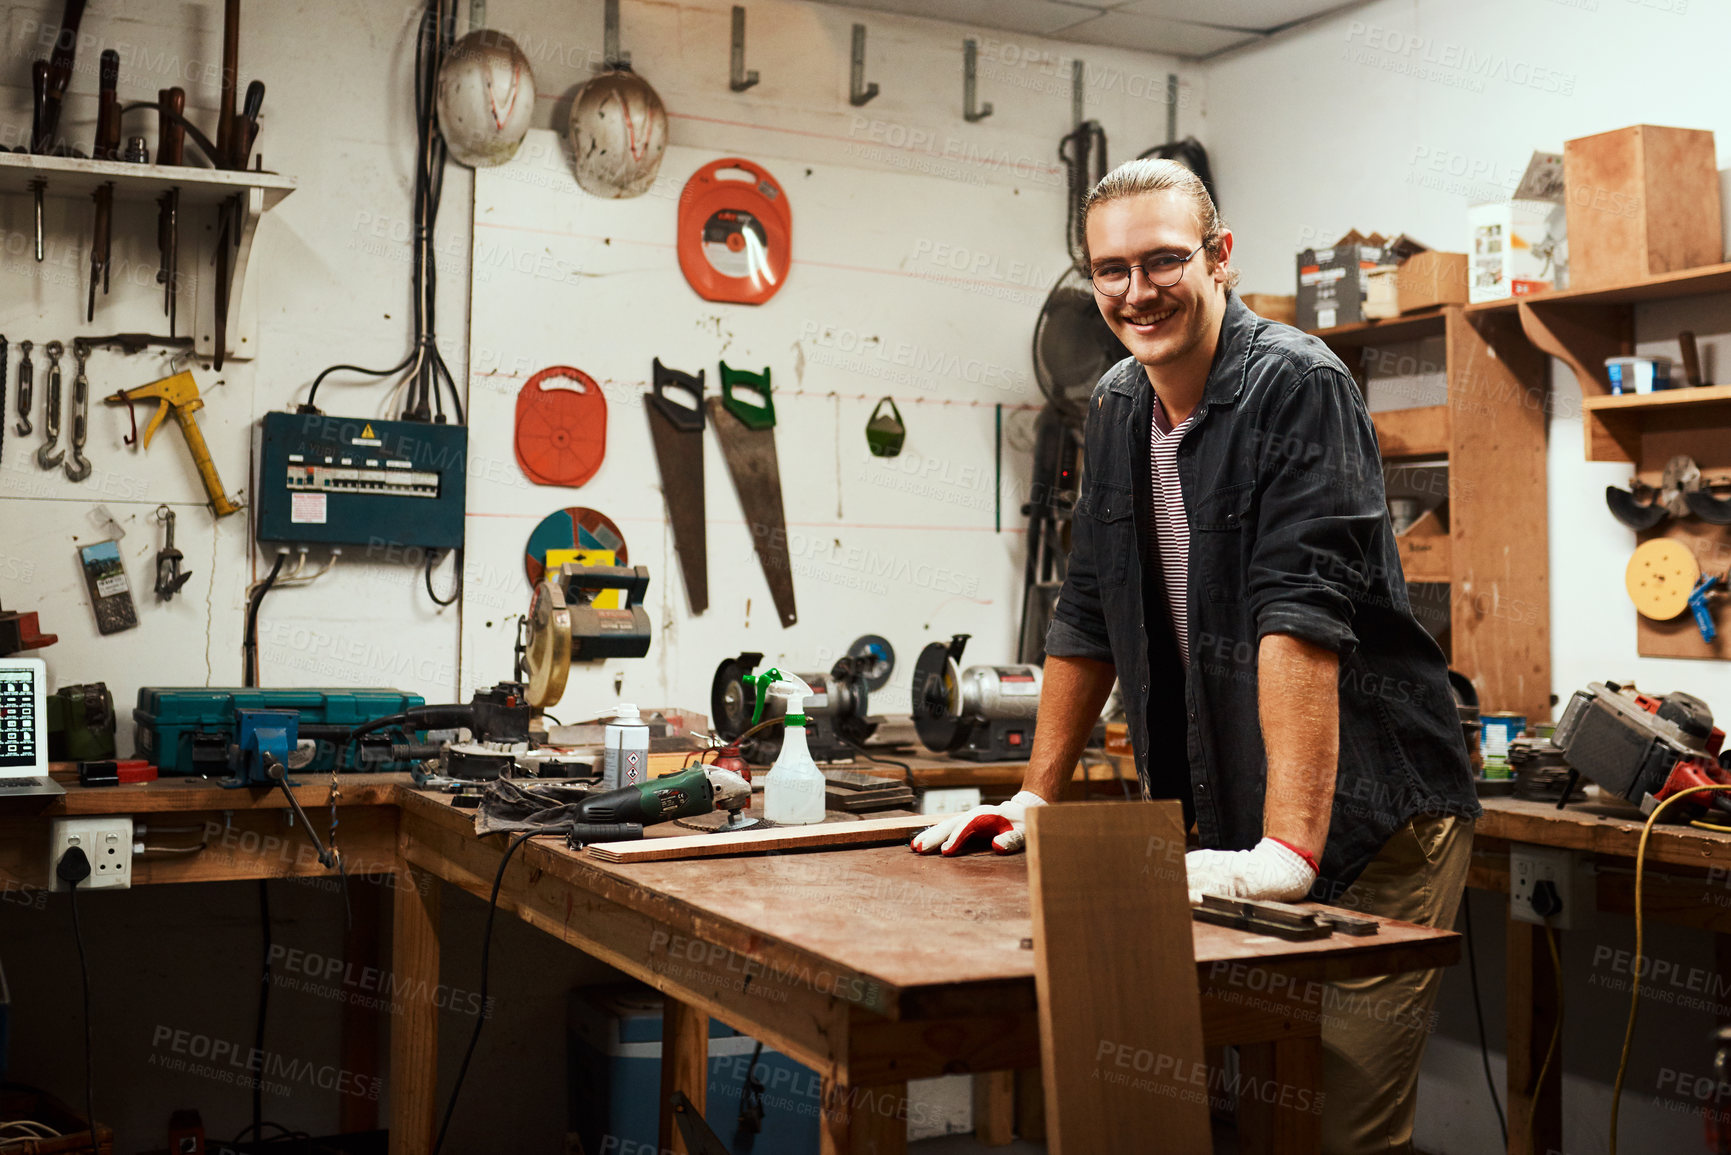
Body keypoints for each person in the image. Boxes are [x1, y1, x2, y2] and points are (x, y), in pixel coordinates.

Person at [912, 158, 1481, 1154]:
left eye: (1164, 260)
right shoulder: (1120, 403)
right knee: (1236, 1113)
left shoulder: (1298, 388)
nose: (1138, 292)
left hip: (1370, 820)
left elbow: (1297, 614)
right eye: (1112, 270)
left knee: (1336, 1126)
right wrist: (1035, 795)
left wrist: (1290, 851)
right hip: (1237, 822)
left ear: (1220, 258)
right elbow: (1087, 606)